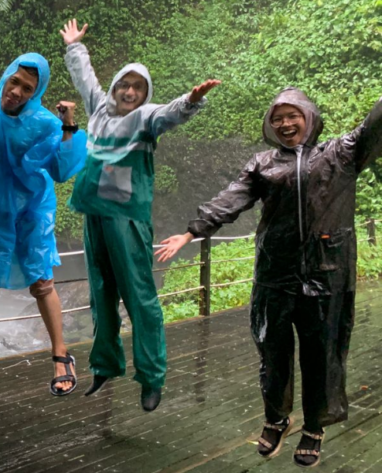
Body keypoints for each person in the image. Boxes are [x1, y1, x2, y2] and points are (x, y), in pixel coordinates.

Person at [156, 89, 382, 467]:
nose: (285, 123)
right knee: (272, 353)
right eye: (277, 118)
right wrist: (191, 231)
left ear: (309, 116)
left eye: (292, 115)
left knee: (322, 355)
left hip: (327, 274)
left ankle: (314, 427)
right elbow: (231, 198)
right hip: (275, 274)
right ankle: (277, 419)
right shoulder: (262, 163)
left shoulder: (342, 153)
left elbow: (375, 125)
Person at [60, 19, 220, 411]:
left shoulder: (147, 117)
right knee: (100, 293)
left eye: (138, 87)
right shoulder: (99, 107)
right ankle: (105, 365)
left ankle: (151, 376)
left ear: (144, 93)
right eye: (124, 85)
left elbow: (171, 114)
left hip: (128, 218)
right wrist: (74, 47)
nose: (129, 92)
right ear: (115, 87)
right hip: (93, 214)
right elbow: (85, 78)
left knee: (140, 297)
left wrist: (191, 101)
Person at [0, 53, 87, 409]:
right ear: (6, 77)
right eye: (15, 82)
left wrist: (68, 125)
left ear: (35, 92)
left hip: (31, 211)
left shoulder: (43, 122)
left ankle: (61, 355)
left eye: (28, 88)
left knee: (42, 282)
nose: (17, 91)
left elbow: (61, 169)